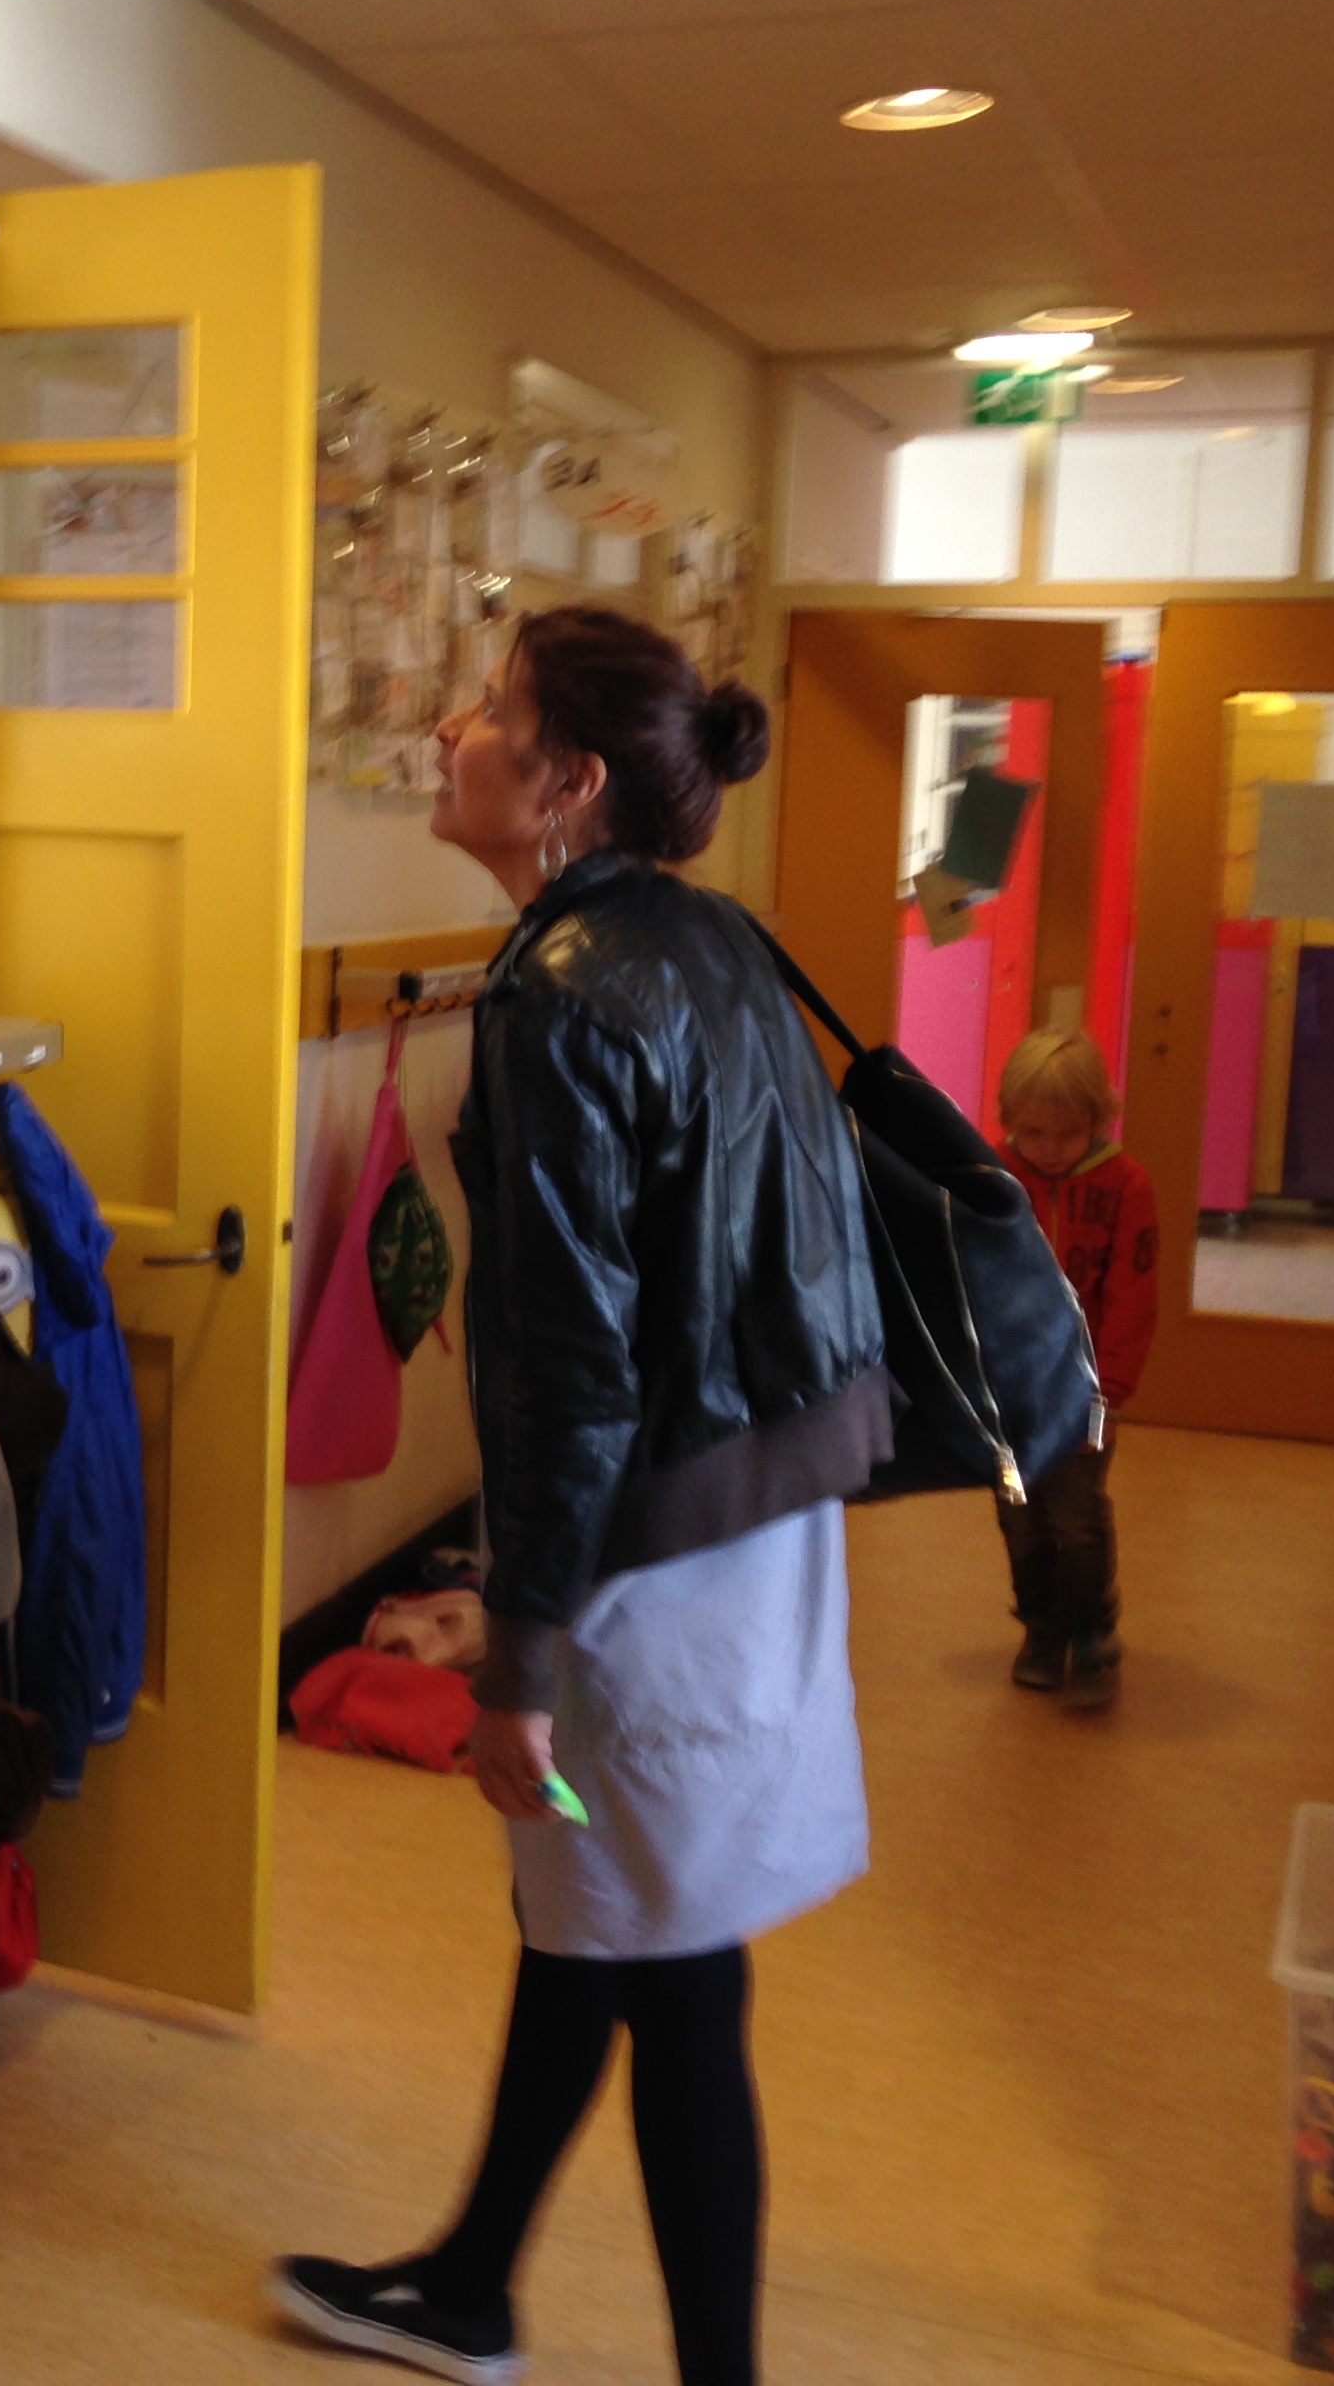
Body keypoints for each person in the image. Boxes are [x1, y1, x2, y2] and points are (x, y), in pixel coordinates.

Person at [272, 609, 890, 2386]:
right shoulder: (712, 938)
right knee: (600, 1916)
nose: (448, 730)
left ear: (566, 782)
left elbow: (568, 1366)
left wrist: (519, 1655)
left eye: (489, 709)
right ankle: (474, 2278)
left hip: (653, 1547)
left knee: (672, 1965)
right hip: (756, 1519)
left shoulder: (552, 995)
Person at [990, 1027, 1155, 1712]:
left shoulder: (1126, 1186)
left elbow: (1133, 1296)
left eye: (1067, 1133)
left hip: (1088, 1394)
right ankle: (1041, 1629)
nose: (1050, 1148)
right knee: (1019, 1513)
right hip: (1009, 1392)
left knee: (1078, 1515)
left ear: (1097, 1119)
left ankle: (1091, 1634)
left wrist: (1107, 1393)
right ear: (1009, 1119)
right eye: (1033, 1132)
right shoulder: (992, 1180)